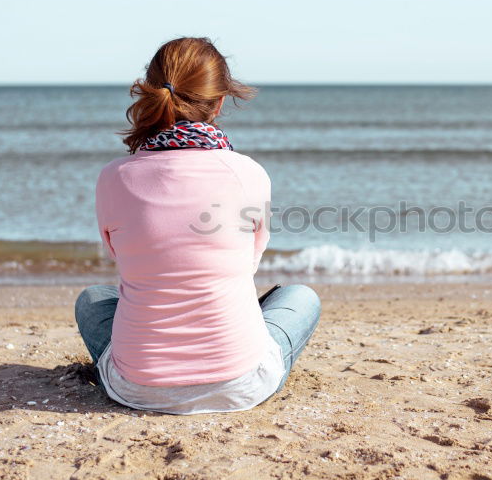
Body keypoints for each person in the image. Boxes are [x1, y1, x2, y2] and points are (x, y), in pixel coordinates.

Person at [74, 37, 320, 414]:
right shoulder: (248, 174)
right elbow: (248, 262)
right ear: (220, 101)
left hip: (136, 387)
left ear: (151, 93)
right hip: (240, 384)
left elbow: (120, 257)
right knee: (302, 298)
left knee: (93, 299)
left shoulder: (114, 177)